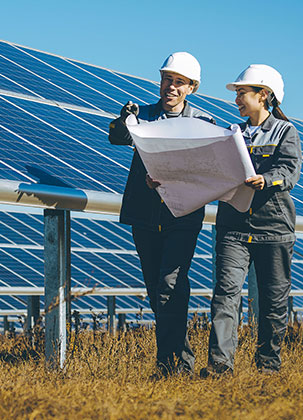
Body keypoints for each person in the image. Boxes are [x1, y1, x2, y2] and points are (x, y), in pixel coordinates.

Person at [108, 52, 214, 376]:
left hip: (183, 214)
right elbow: (117, 136)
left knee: (171, 283)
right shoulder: (142, 116)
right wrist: (122, 119)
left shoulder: (203, 123)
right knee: (157, 289)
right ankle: (180, 360)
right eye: (167, 79)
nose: (171, 87)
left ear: (191, 88)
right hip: (145, 212)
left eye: (179, 82)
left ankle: (168, 366)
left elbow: (207, 168)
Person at [203, 64, 302, 376]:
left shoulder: (286, 132)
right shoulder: (232, 134)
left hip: (274, 228)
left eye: (242, 93)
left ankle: (268, 366)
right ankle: (220, 366)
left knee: (273, 302)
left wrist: (266, 179)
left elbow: (289, 170)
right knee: (225, 296)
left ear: (264, 95)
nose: (237, 100)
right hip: (233, 227)